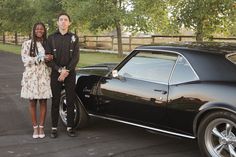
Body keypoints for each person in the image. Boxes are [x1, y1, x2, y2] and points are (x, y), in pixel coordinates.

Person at [46, 12, 79, 138]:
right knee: (55, 100)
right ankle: (54, 128)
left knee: (70, 100)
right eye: (61, 19)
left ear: (69, 23)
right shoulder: (51, 38)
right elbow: (48, 59)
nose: (63, 22)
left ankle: (70, 126)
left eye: (66, 20)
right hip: (56, 74)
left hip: (70, 74)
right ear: (57, 22)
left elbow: (76, 58)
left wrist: (66, 71)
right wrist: (60, 70)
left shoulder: (74, 37)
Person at [21, 22, 53, 139]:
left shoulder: (47, 44)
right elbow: (25, 59)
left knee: (43, 101)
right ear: (34, 31)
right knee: (32, 102)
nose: (39, 30)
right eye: (37, 29)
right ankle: (35, 128)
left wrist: (49, 57)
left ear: (44, 31)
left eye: (41, 29)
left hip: (44, 75)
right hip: (32, 76)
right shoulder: (27, 43)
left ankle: (42, 127)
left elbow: (51, 57)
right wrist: (40, 58)